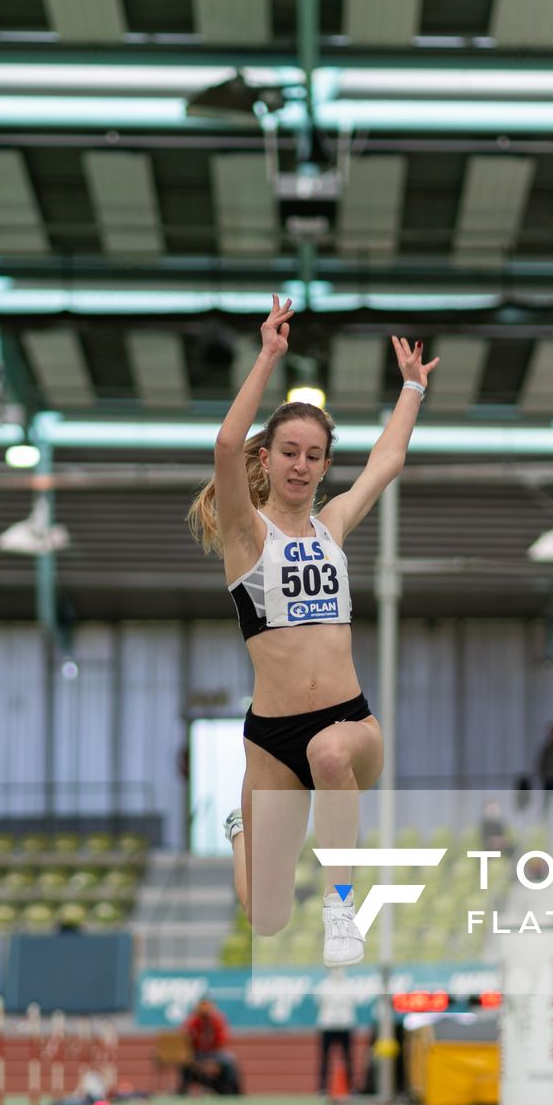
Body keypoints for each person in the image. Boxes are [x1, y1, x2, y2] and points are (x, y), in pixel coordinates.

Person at [190, 296, 437, 967]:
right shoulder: (247, 536)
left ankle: (340, 906)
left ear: (326, 467)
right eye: (289, 453)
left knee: (330, 756)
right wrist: (269, 354)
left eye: (314, 456)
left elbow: (385, 462)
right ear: (265, 459)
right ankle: (241, 829)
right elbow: (221, 445)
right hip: (270, 740)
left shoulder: (332, 530)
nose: (300, 466)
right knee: (265, 920)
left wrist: (412, 388)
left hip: (349, 725)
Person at [180, 997, 241, 1096]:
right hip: (197, 1053)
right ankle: (183, 1088)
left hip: (214, 1053)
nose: (205, 1009)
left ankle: (233, 1091)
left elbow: (222, 1040)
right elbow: (184, 1037)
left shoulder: (217, 1019)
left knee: (229, 1062)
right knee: (185, 1062)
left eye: (207, 1006)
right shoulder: (193, 1020)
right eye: (202, 1006)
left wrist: (212, 1061)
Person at [316, 966, 360, 1097]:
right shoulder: (323, 986)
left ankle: (350, 1086)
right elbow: (320, 1003)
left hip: (345, 1025)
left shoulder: (350, 985)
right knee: (325, 1057)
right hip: (328, 1025)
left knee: (348, 1057)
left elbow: (354, 1001)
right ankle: (323, 1087)